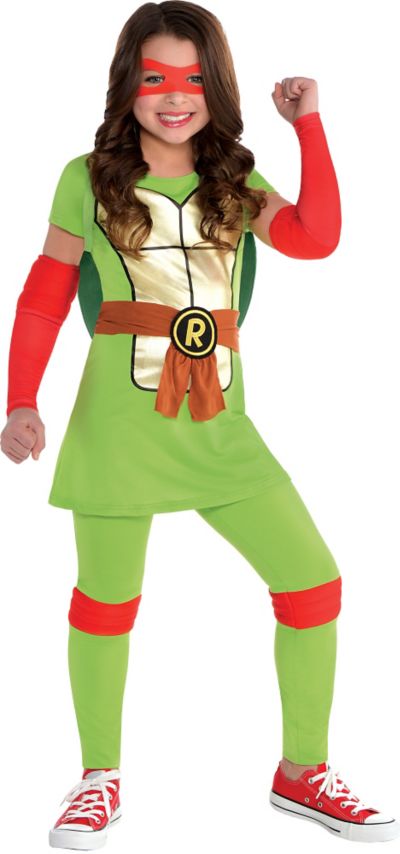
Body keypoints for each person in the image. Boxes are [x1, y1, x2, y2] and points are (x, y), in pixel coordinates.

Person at [2, 1, 399, 849]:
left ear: (216, 88)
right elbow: (44, 293)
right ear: (127, 86)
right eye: (155, 78)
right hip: (118, 428)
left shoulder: (235, 183)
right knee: (106, 602)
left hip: (220, 426)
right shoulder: (85, 177)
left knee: (313, 584)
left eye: (192, 79)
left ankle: (302, 772)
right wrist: (21, 400)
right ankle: (98, 778)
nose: (174, 96)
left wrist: (310, 125)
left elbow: (317, 238)